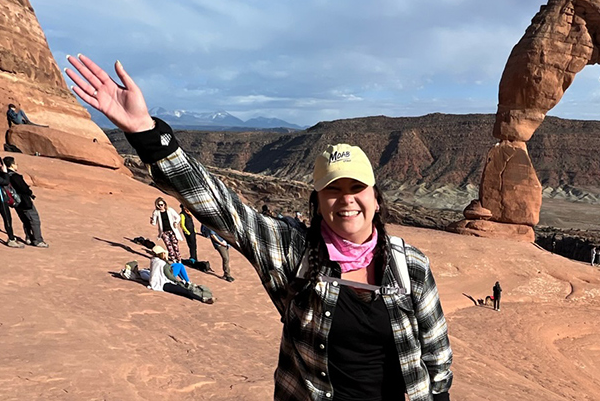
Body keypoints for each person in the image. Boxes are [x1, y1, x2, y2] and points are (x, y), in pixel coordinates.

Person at [67, 54, 453, 401]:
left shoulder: (410, 266)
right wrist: (147, 133)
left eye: (356, 188)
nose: (346, 199)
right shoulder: (293, 252)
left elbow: (436, 355)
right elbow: (221, 207)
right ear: (316, 202)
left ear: (376, 198)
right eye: (332, 189)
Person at [4, 157, 48, 247]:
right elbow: (23, 188)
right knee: (34, 219)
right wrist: (29, 192)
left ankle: (29, 238)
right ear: (12, 165)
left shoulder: (5, 175)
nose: (16, 165)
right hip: (24, 201)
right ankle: (38, 240)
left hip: (15, 202)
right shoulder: (14, 176)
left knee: (25, 220)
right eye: (15, 164)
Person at [0, 158, 23, 248]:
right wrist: (4, 172)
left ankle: (12, 238)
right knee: (7, 218)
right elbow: (5, 182)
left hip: (0, 198)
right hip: (0, 199)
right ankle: (11, 240)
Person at [150, 196, 183, 261]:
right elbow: (154, 223)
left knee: (175, 246)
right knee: (169, 247)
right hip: (164, 232)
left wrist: (176, 222)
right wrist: (152, 221)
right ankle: (173, 260)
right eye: (158, 205)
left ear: (164, 204)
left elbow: (178, 217)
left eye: (161, 204)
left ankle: (179, 260)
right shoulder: (156, 212)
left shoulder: (169, 210)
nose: (160, 206)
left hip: (172, 231)